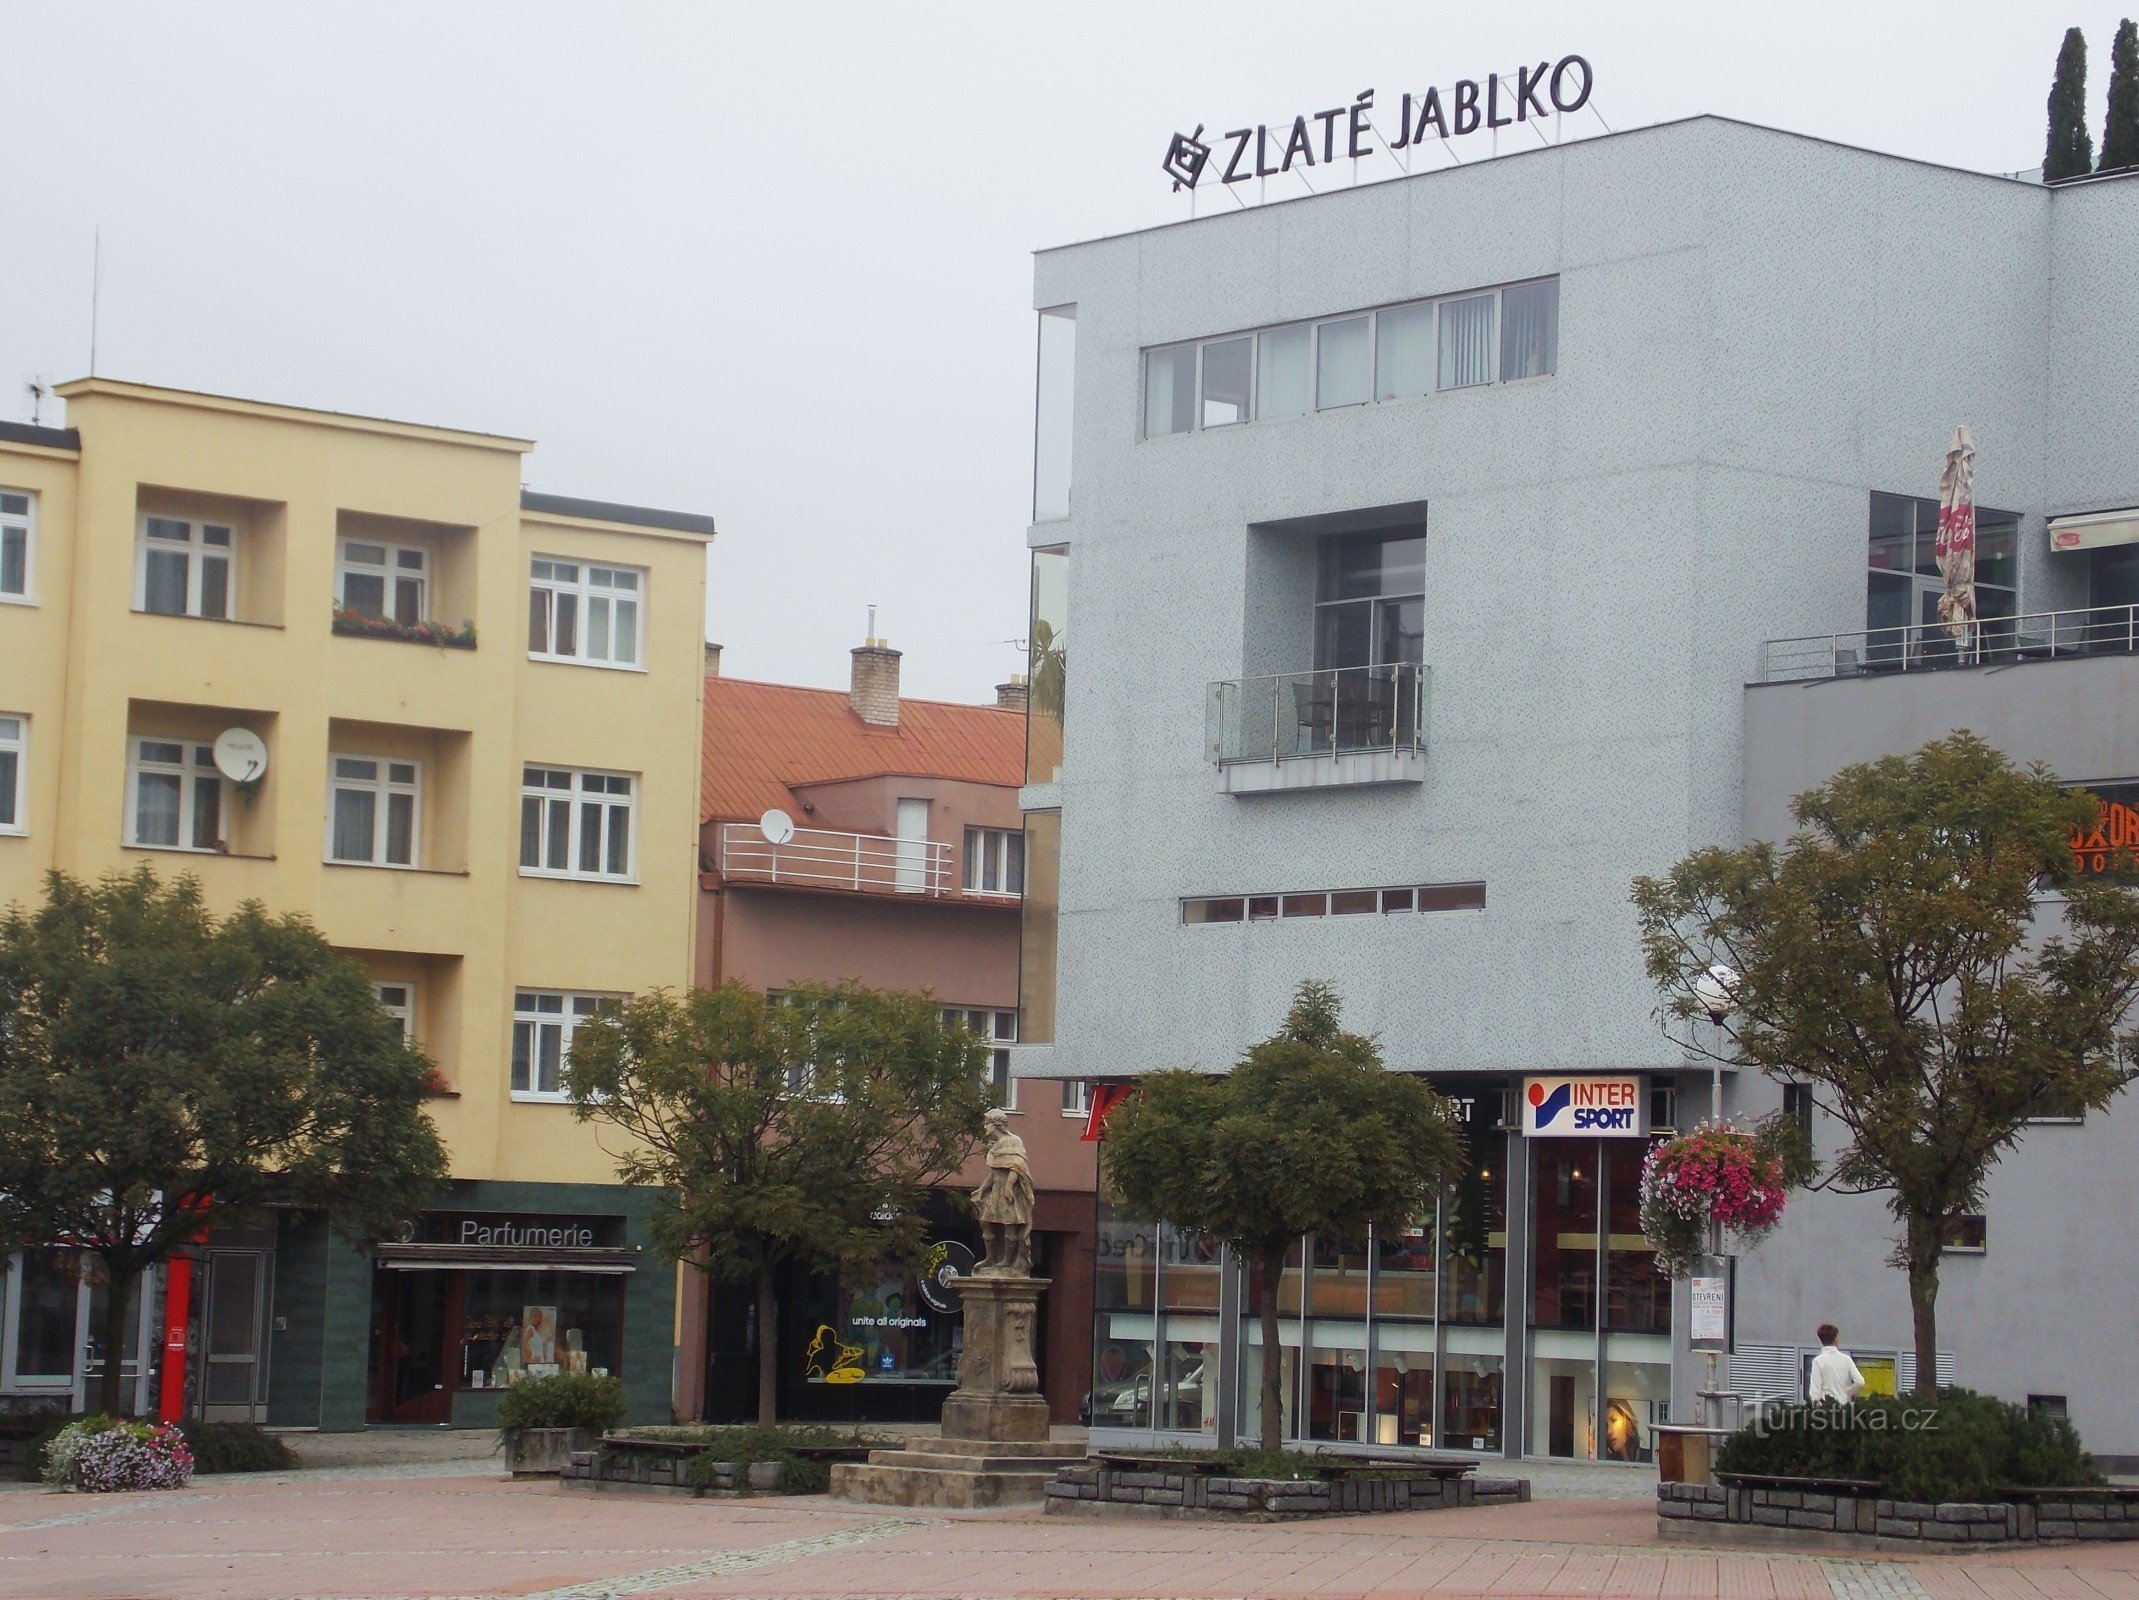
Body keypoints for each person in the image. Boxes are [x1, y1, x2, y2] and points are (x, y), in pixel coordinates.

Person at [1807, 1322, 1866, 1404]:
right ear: (1835, 1339)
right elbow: (1860, 1382)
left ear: (1821, 1340)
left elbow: (1815, 1391)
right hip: (1842, 1405)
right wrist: (1846, 1392)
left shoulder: (1818, 1361)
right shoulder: (1846, 1359)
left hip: (1825, 1406)